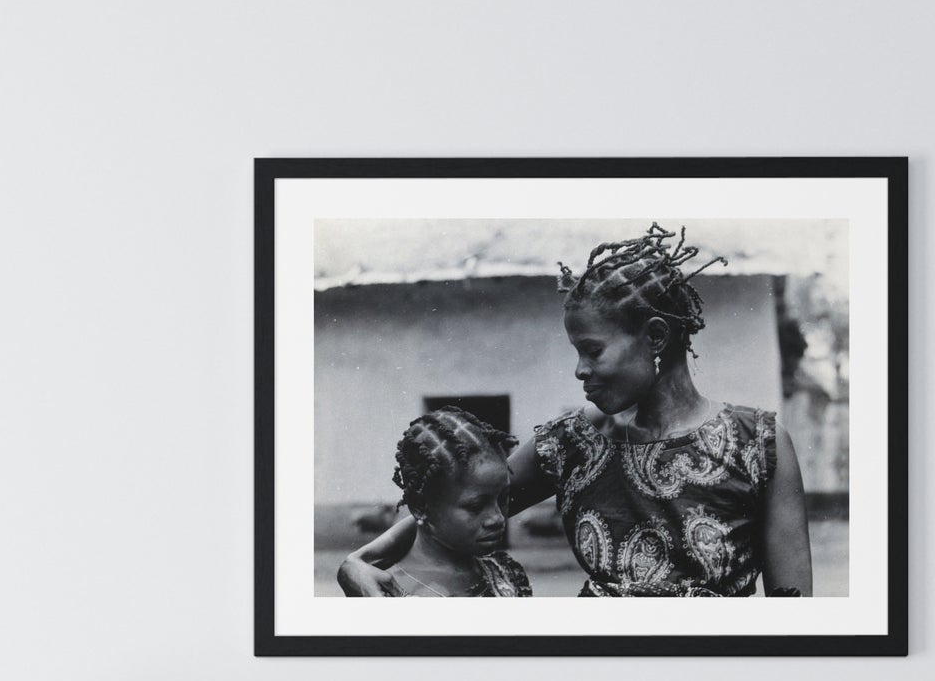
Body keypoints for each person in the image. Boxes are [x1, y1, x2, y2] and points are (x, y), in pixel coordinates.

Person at [340, 224, 812, 597]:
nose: (580, 370)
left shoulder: (759, 447)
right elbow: (453, 501)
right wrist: (357, 563)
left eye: (592, 350)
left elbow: (792, 615)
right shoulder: (571, 443)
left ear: (655, 337)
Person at [346, 407, 531, 598]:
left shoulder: (508, 573)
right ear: (420, 507)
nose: (498, 518)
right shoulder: (380, 591)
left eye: (503, 498)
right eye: (475, 507)